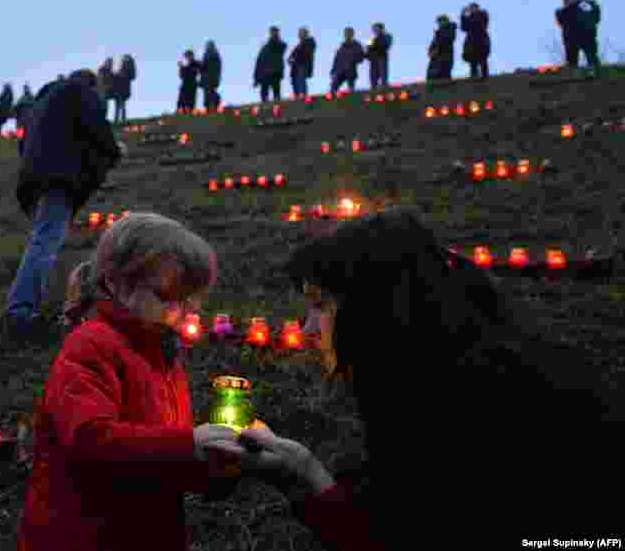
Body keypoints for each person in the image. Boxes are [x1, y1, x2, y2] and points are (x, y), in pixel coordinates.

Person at [206, 207, 620, 547]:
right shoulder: (439, 366)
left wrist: (310, 482)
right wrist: (303, 470)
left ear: (376, 308)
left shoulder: (478, 402)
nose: (308, 327)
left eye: (321, 305)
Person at [17, 212, 243, 551]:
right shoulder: (91, 346)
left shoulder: (160, 351)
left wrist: (211, 469)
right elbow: (90, 440)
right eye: (168, 296)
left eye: (190, 298)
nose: (184, 310)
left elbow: (158, 451)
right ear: (116, 284)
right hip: (84, 535)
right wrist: (186, 446)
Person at [0, 69, 124, 347]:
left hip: (36, 177)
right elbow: (96, 126)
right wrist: (114, 151)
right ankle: (19, 313)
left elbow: (24, 142)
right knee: (45, 240)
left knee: (46, 237)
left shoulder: (44, 100)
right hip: (57, 176)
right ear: (91, 84)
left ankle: (26, 307)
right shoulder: (80, 92)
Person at [556, 0, 602, 78]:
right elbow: (561, 19)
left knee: (591, 55)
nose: (570, 1)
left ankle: (593, 72)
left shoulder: (586, 9)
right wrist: (580, 2)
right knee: (572, 58)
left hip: (587, 36)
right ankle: (574, 74)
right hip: (571, 38)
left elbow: (596, 17)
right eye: (568, 0)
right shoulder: (561, 11)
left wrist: (592, 3)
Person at [253, 26, 287, 102]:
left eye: (275, 32)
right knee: (264, 92)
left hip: (275, 71)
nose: (273, 33)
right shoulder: (265, 47)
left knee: (276, 90)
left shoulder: (279, 44)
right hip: (265, 73)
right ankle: (265, 105)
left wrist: (275, 39)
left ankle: (277, 103)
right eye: (272, 32)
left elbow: (281, 48)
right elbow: (259, 62)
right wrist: (256, 78)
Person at [329, 27, 365, 94]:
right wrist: (333, 70)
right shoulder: (342, 45)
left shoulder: (356, 44)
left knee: (351, 89)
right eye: (346, 33)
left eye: (348, 33)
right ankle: (331, 101)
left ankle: (351, 100)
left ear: (352, 34)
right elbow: (337, 59)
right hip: (340, 70)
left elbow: (361, 57)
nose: (347, 34)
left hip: (350, 70)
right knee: (333, 87)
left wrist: (353, 60)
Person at [460, 3, 490, 80]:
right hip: (471, 41)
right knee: (473, 60)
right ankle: (474, 76)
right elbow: (464, 28)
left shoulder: (483, 14)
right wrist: (463, 15)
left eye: (473, 8)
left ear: (477, 8)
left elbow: (481, 24)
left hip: (481, 40)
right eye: (470, 8)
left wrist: (469, 17)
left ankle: (485, 76)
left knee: (482, 59)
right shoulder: (469, 17)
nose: (471, 9)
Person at [427, 14, 458, 81]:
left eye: (441, 21)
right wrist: (430, 52)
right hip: (435, 58)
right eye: (439, 22)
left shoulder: (450, 29)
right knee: (432, 75)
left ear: (446, 21)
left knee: (444, 75)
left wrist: (437, 50)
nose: (439, 23)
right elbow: (433, 44)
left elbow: (447, 41)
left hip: (445, 57)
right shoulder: (439, 32)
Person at [288, 27, 316, 99]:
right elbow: (292, 55)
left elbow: (305, 53)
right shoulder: (299, 45)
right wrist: (290, 59)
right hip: (296, 66)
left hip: (303, 64)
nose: (299, 35)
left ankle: (303, 95)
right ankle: (297, 95)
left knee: (301, 79)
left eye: (301, 33)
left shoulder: (309, 41)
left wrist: (294, 59)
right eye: (299, 33)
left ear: (305, 34)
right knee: (295, 81)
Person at [365, 23, 392, 89]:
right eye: (374, 29)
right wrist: (367, 54)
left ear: (381, 29)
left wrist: (373, 47)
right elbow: (368, 50)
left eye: (376, 29)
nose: (374, 31)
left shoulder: (387, 36)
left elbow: (385, 46)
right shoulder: (373, 40)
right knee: (373, 78)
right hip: (373, 60)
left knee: (383, 75)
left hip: (381, 57)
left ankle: (384, 87)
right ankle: (373, 89)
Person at [113, 54, 136, 124]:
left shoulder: (125, 68)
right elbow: (132, 77)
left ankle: (118, 120)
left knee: (119, 106)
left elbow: (120, 77)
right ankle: (122, 120)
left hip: (121, 90)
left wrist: (117, 75)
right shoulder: (130, 68)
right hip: (124, 90)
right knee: (121, 106)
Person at [199, 41, 222, 112]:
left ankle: (211, 107)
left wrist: (200, 65)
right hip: (210, 78)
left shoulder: (211, 54)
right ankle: (211, 107)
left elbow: (205, 66)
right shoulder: (214, 54)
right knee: (209, 92)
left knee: (209, 93)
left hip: (209, 78)